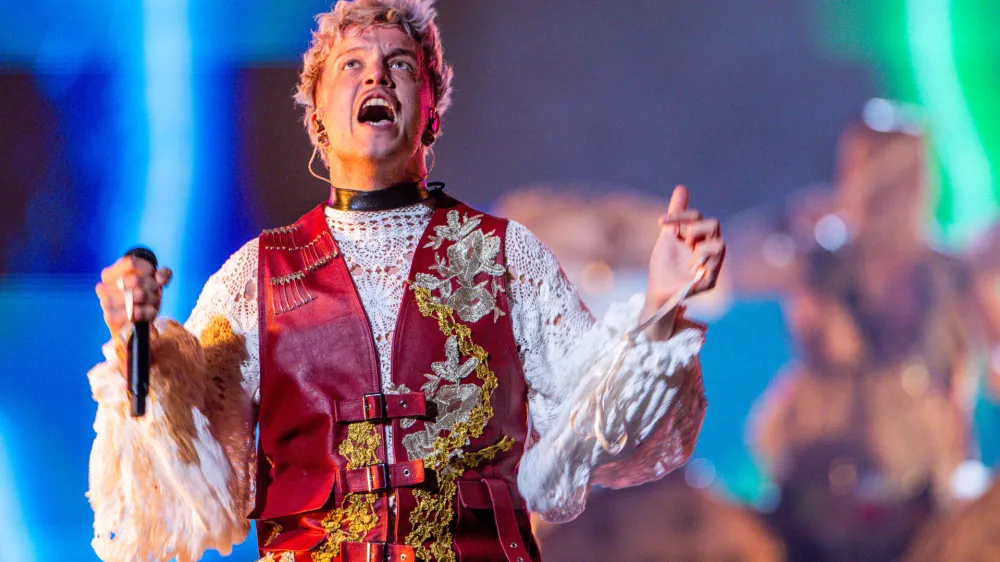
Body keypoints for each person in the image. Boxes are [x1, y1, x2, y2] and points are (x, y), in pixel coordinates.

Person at [87, 1, 726, 560]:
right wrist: (139, 342)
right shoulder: (254, 278)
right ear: (315, 117)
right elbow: (189, 470)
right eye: (352, 64)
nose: (376, 75)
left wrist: (661, 304)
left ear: (431, 111)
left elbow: (596, 430)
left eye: (400, 65)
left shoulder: (507, 257)